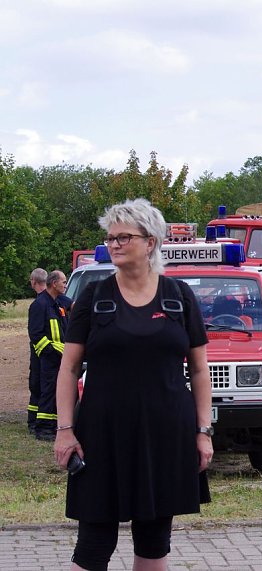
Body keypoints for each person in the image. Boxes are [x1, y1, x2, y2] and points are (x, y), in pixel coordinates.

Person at [53, 198, 213, 571]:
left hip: (165, 435)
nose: (114, 244)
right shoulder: (94, 297)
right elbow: (68, 368)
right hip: (102, 435)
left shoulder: (179, 297)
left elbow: (201, 371)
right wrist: (64, 430)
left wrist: (203, 431)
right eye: (110, 237)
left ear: (150, 242)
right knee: (93, 546)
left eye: (124, 236)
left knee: (155, 545)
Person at [28, 270, 70, 441]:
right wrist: (50, 352)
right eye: (64, 282)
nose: (66, 285)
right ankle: (43, 429)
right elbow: (36, 334)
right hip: (49, 358)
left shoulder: (57, 303)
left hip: (59, 356)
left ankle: (51, 427)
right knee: (47, 391)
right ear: (54, 283)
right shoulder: (40, 305)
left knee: (54, 391)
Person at [26, 268, 48, 434]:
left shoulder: (38, 304)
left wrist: (46, 350)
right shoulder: (53, 301)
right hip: (51, 352)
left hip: (42, 353)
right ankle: (35, 420)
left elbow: (34, 334)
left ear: (33, 282)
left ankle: (34, 422)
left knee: (37, 386)